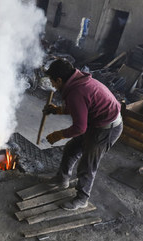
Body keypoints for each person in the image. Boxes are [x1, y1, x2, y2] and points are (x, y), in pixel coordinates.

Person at [43, 58, 122, 210]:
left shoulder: (76, 91)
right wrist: (58, 110)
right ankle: (62, 179)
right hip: (95, 122)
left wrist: (59, 134)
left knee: (87, 164)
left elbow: (80, 128)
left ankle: (82, 198)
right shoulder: (76, 81)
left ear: (59, 80)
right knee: (71, 149)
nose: (52, 85)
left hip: (107, 129)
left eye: (52, 81)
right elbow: (82, 107)